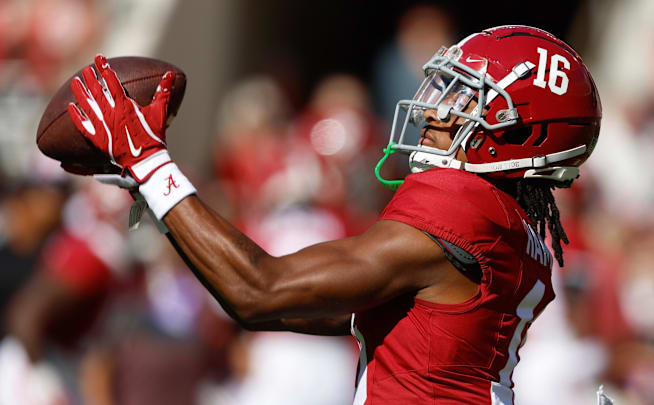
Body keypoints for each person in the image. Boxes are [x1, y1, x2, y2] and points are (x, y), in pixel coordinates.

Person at [64, 25, 601, 404]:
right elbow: (302, 307)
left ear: (518, 133)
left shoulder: (464, 207)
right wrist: (164, 202)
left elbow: (259, 292)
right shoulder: (511, 222)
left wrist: (149, 160)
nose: (437, 110)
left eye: (469, 100)